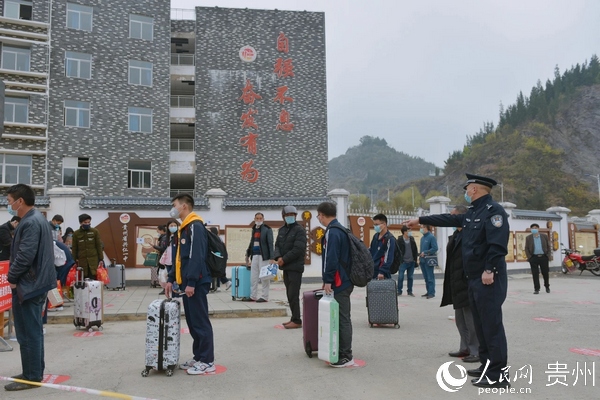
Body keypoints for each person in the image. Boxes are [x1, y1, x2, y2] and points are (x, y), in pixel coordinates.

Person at [405, 173, 510, 389]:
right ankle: (487, 365)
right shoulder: (473, 212)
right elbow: (448, 219)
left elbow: (497, 245)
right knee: (480, 326)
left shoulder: (494, 212)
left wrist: (489, 269)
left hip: (488, 278)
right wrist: (421, 219)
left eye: (467, 187)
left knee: (492, 326)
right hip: (473, 279)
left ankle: (499, 374)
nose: (465, 191)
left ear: (475, 189)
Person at [5, 184, 56, 391]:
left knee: (29, 333)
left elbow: (25, 255)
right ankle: (31, 372)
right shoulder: (36, 219)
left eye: (10, 202)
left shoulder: (31, 222)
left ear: (20, 201)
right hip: (34, 283)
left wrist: (11, 276)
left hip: (29, 285)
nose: (9, 206)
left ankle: (32, 376)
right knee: (28, 332)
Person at [164, 193, 215, 375]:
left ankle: (208, 360)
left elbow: (197, 257)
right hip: (186, 284)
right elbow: (178, 258)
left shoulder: (195, 226)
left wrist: (192, 282)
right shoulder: (182, 228)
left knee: (200, 321)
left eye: (174, 204)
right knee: (193, 322)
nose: (173, 208)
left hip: (196, 283)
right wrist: (171, 279)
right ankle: (199, 356)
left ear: (184, 206)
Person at [318, 201, 355, 367]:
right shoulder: (340, 229)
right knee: (342, 317)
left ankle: (346, 356)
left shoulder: (332, 232)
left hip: (340, 282)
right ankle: (341, 351)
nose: (318, 218)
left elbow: (330, 258)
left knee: (343, 318)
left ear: (322, 215)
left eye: (318, 215)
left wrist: (328, 279)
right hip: (345, 280)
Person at [440, 206, 480, 363]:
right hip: (456, 282)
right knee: (460, 319)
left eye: (453, 216)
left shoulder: (470, 235)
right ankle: (465, 347)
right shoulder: (455, 235)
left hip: (467, 282)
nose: (451, 219)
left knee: (471, 320)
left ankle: (476, 350)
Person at [273, 205, 307, 329]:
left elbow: (298, 249)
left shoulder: (299, 230)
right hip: (286, 267)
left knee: (293, 294)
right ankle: (293, 317)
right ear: (283, 217)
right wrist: (278, 257)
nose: (290, 217)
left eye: (292, 215)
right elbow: (277, 246)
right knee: (289, 294)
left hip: (295, 267)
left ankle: (297, 320)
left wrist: (284, 259)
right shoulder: (282, 230)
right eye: (288, 215)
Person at [245, 212, 274, 302]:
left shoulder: (267, 229)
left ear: (263, 219)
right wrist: (248, 253)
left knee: (264, 277)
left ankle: (265, 296)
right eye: (257, 218)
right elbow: (252, 242)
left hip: (264, 256)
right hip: (255, 255)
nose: (258, 220)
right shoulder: (254, 229)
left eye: (260, 218)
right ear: (254, 219)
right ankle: (253, 295)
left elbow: (270, 243)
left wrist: (272, 257)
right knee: (254, 277)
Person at [72, 214, 103, 280]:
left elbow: (98, 246)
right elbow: (74, 248)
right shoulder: (76, 234)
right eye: (85, 222)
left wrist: (101, 259)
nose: (87, 224)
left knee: (93, 279)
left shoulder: (95, 232)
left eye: (88, 222)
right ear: (80, 223)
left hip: (93, 261)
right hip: (82, 261)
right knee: (83, 279)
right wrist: (73, 261)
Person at [524, 223, 551, 294]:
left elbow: (548, 246)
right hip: (534, 257)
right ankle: (536, 289)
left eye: (535, 228)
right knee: (535, 274)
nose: (534, 229)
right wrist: (529, 257)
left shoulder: (544, 236)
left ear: (538, 229)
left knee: (545, 273)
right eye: (533, 228)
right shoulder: (529, 238)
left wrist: (548, 255)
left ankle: (547, 286)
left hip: (543, 257)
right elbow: (526, 248)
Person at [368, 213, 396, 280]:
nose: (375, 226)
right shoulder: (375, 236)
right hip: (373, 271)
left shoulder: (390, 239)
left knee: (383, 290)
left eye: (377, 224)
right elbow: (371, 251)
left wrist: (382, 271)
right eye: (374, 224)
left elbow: (388, 257)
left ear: (384, 225)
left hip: (382, 273)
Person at [397, 225, 418, 296]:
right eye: (409, 231)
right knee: (400, 277)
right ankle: (399, 291)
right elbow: (397, 251)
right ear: (404, 232)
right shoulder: (399, 240)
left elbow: (415, 249)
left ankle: (410, 291)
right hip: (403, 262)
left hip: (411, 262)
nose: (410, 232)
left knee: (410, 277)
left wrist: (415, 259)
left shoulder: (412, 239)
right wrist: (399, 260)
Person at [209, 226, 231, 292]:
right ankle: (220, 285)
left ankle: (223, 283)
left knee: (217, 271)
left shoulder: (215, 239)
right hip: (220, 257)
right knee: (218, 271)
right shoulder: (218, 238)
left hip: (218, 257)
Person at [419, 224, 438, 299]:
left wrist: (426, 252)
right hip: (422, 261)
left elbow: (435, 248)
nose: (421, 229)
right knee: (426, 278)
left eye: (422, 227)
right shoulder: (422, 238)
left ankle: (431, 293)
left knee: (430, 277)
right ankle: (428, 291)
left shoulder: (431, 237)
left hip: (429, 260)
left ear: (426, 228)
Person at [153, 225, 169, 295]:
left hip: (164, 259)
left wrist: (154, 246)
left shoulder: (164, 238)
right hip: (164, 258)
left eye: (158, 230)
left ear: (162, 230)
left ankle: (165, 288)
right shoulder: (164, 237)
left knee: (162, 274)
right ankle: (165, 288)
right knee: (162, 273)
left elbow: (163, 248)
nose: (157, 232)